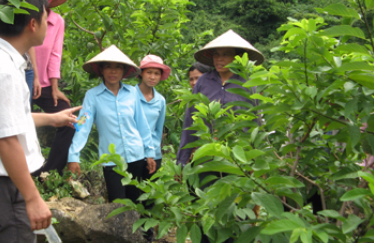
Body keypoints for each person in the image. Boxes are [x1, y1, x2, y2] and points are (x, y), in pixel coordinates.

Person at [0, 0, 81, 242]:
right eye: (45, 17)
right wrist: (33, 198)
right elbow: (7, 140)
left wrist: (53, 119)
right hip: (5, 184)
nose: (47, 23)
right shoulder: (3, 71)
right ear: (32, 24)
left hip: (6, 181)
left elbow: (8, 121)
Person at [177, 29, 265, 243]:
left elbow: (257, 123)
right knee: (206, 207)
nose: (220, 59)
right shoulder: (203, 82)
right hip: (206, 157)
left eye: (225, 54)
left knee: (235, 210)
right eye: (217, 54)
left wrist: (258, 160)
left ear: (237, 56)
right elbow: (190, 120)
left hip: (238, 159)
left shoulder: (249, 84)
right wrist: (182, 159)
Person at [67, 45, 156, 202]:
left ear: (124, 71)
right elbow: (82, 125)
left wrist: (150, 153)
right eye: (108, 67)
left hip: (136, 157)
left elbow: (142, 125)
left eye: (118, 67)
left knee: (137, 203)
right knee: (118, 204)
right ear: (101, 70)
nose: (113, 71)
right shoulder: (92, 96)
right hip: (112, 161)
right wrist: (73, 156)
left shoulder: (133, 93)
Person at [30, 0, 74, 176]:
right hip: (23, 79)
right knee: (20, 125)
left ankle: (49, 171)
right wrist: (35, 77)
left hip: (46, 84)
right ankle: (24, 171)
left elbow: (56, 54)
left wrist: (55, 88)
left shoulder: (57, 21)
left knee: (69, 118)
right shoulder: (23, 15)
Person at [135, 54, 170, 242]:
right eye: (149, 72)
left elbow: (158, 130)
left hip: (154, 155)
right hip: (132, 153)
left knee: (150, 195)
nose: (153, 77)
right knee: (133, 193)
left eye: (157, 73)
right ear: (141, 73)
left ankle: (147, 234)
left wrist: (153, 153)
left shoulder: (161, 101)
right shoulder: (129, 95)